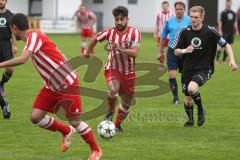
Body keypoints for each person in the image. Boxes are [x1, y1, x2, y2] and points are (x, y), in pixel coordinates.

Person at [0, 13, 102, 160]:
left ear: (14, 27)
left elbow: (23, 59)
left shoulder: (33, 37)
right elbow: (58, 51)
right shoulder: (33, 37)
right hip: (52, 86)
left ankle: (96, 150)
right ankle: (66, 131)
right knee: (35, 117)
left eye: (11, 29)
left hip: (67, 84)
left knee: (75, 120)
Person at [172, 6, 238, 127]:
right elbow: (175, 51)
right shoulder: (184, 31)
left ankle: (201, 110)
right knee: (187, 100)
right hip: (187, 69)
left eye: (196, 17)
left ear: (202, 17)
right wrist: (185, 50)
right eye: (191, 17)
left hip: (204, 68)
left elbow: (226, 45)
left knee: (192, 88)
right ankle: (191, 120)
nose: (193, 19)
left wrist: (232, 60)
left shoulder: (210, 31)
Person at [84, 6, 141, 132]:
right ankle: (109, 113)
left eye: (122, 19)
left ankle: (116, 125)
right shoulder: (109, 32)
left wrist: (121, 49)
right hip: (113, 68)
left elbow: (135, 53)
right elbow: (95, 38)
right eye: (117, 19)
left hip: (129, 72)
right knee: (113, 89)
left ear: (127, 19)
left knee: (126, 104)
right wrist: (87, 51)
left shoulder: (134, 33)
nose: (119, 22)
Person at [159, 1, 190, 104]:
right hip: (172, 50)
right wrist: (160, 51)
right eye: (177, 9)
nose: (179, 11)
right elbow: (163, 37)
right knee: (172, 74)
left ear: (184, 10)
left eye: (181, 9)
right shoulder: (169, 21)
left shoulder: (189, 20)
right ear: (174, 10)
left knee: (186, 75)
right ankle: (175, 98)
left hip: (185, 51)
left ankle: (188, 94)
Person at [0, 0, 18, 119]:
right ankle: (4, 105)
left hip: (6, 45)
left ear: (6, 1)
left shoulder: (10, 15)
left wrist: (14, 45)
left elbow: (13, 33)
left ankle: (1, 84)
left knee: (10, 70)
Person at [154, 1, 174, 71]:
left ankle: (171, 65)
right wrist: (155, 33)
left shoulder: (172, 14)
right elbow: (157, 24)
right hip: (161, 35)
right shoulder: (159, 14)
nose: (164, 7)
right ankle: (161, 65)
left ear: (168, 6)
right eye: (163, 6)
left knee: (171, 50)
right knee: (161, 51)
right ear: (162, 7)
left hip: (170, 36)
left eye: (166, 6)